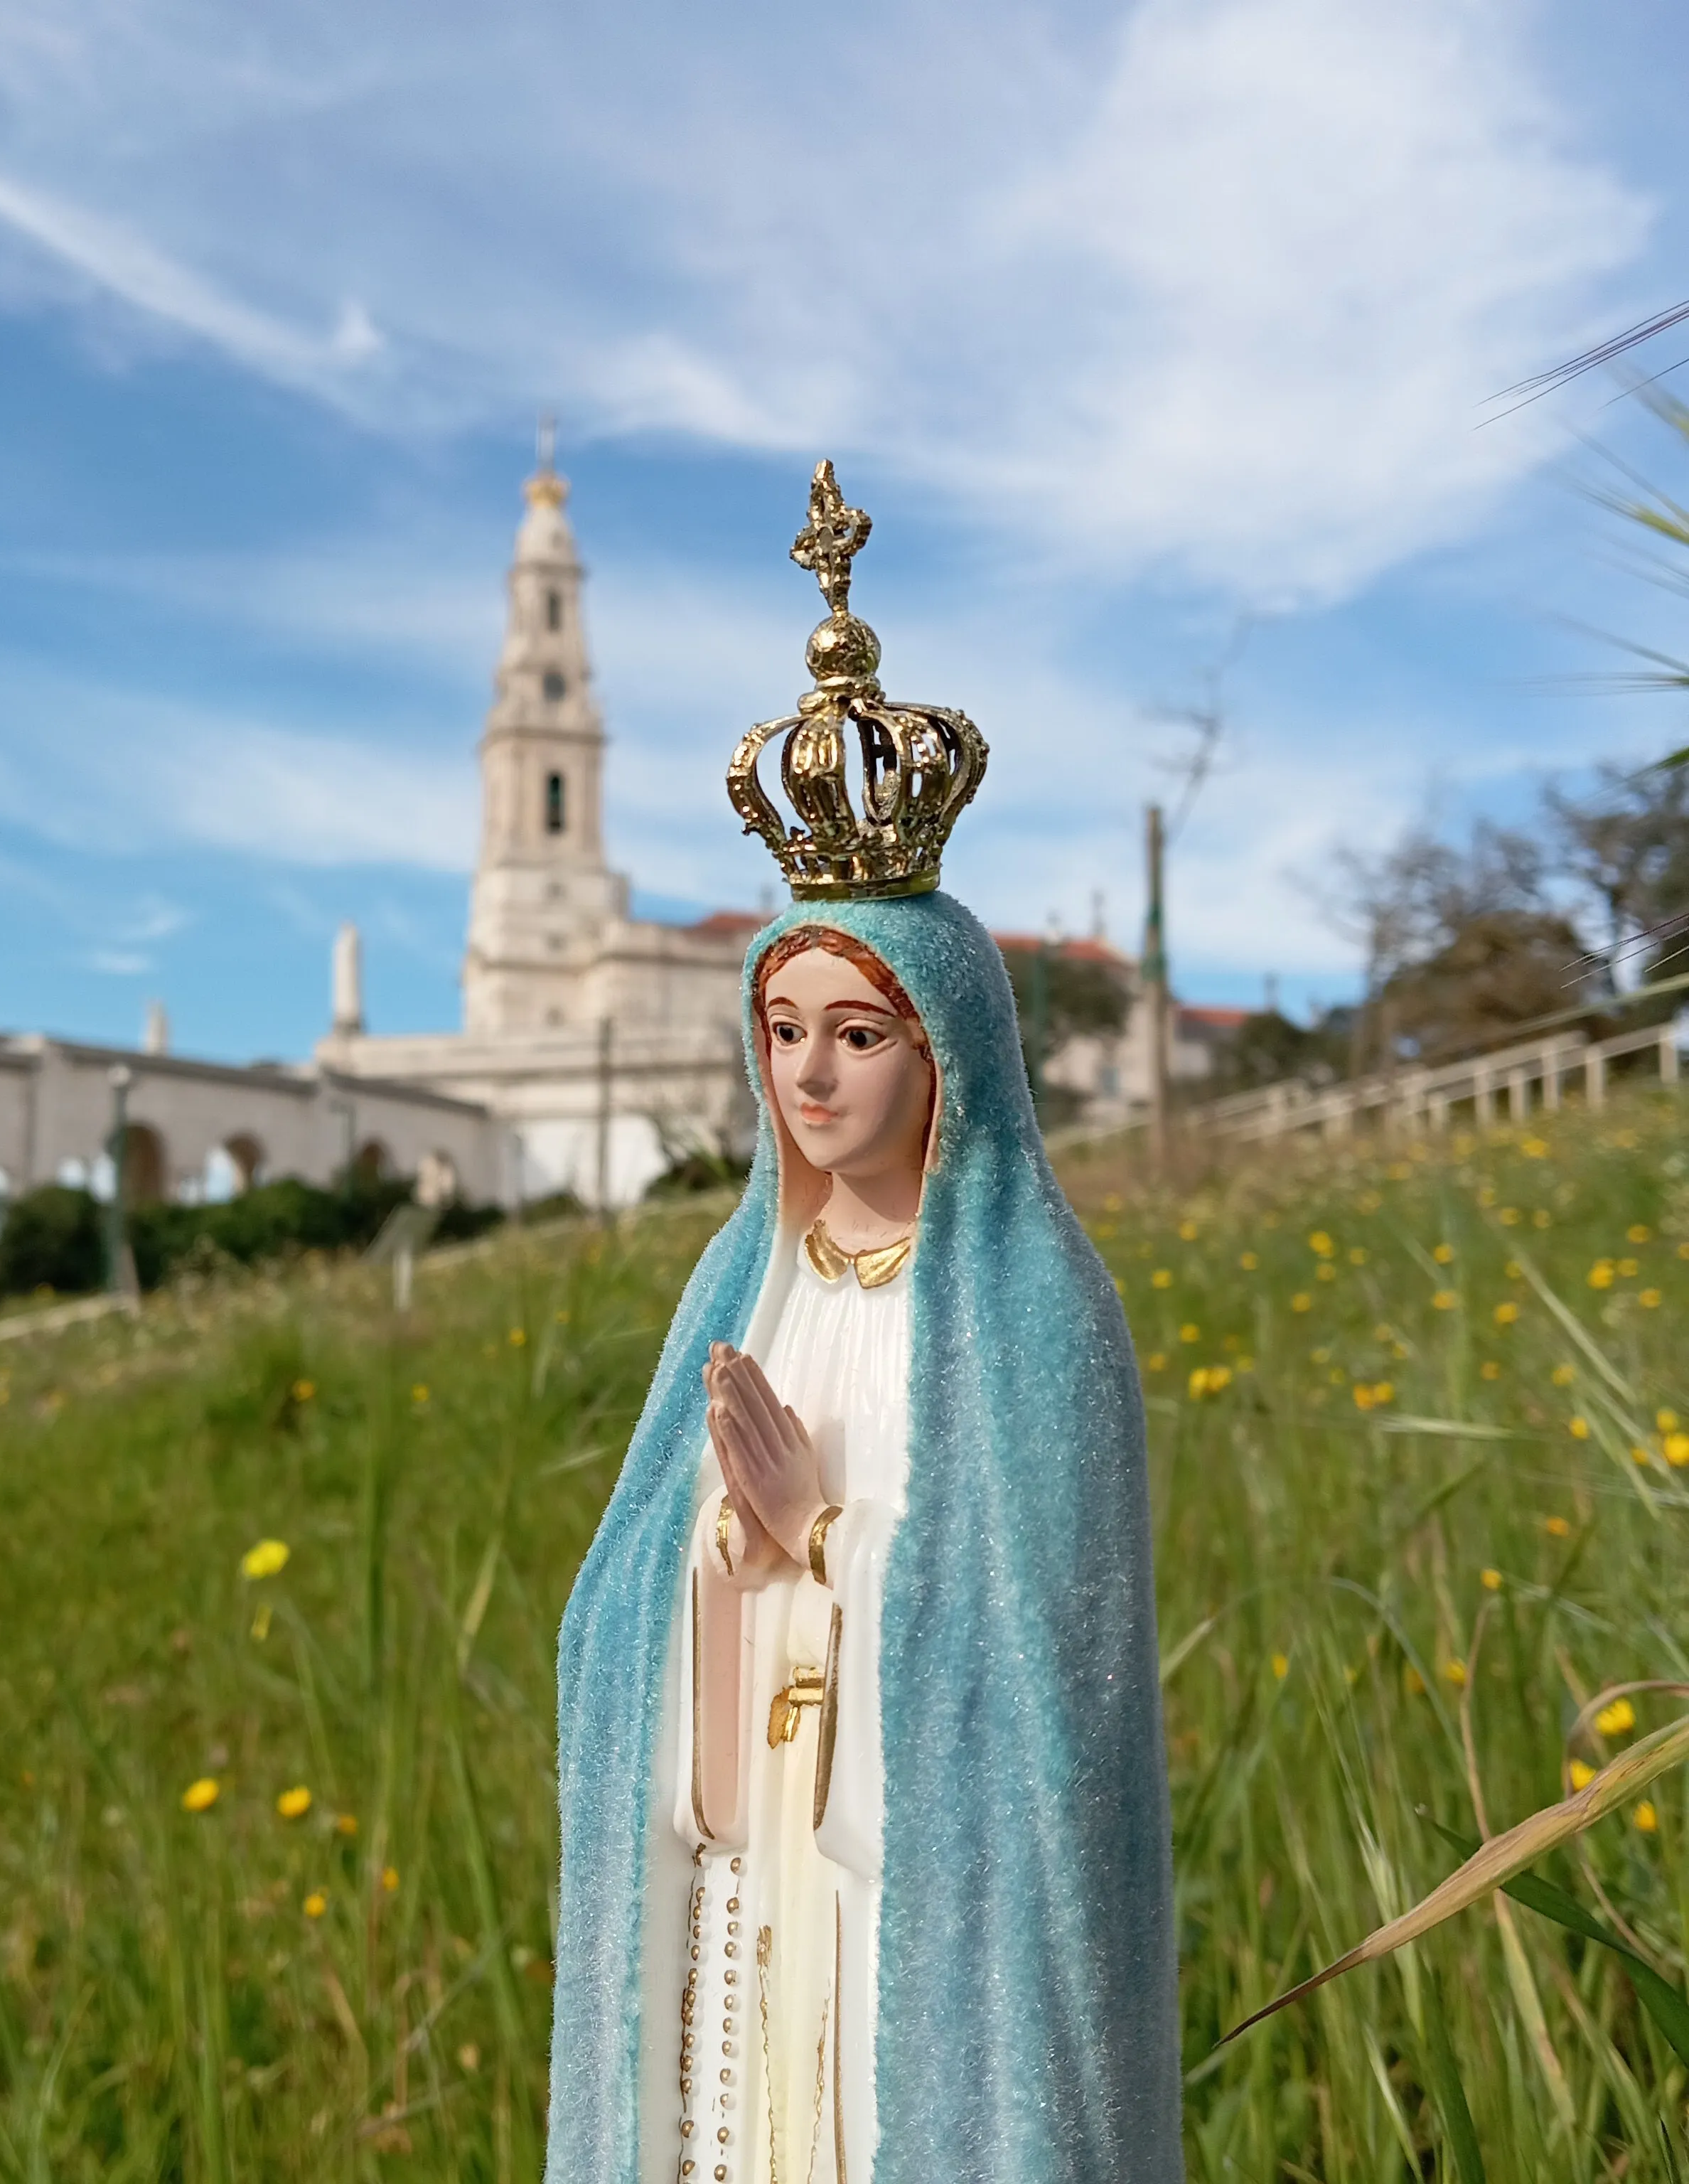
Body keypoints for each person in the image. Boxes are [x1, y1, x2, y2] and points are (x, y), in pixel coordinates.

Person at [548, 467, 1180, 2184]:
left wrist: (823, 1535)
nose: (810, 1074)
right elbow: (620, 1629)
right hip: (758, 1884)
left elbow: (1059, 1689)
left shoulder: (1032, 1308)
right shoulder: (740, 1288)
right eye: (781, 1028)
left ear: (947, 1049)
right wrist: (730, 1565)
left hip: (928, 1933)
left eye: (856, 1031)